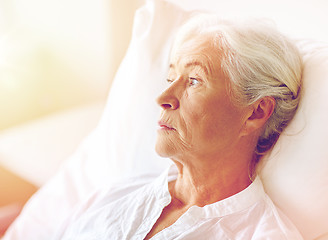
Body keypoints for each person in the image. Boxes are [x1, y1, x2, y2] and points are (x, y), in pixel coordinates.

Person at [52, 15, 303, 239]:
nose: (162, 98)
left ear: (255, 113)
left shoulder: (264, 235)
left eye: (194, 81)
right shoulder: (114, 196)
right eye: (171, 79)